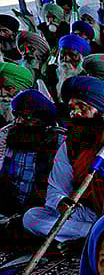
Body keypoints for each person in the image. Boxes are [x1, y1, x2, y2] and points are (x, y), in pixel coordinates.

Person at [23, 76, 104, 244]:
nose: (75, 113)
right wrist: (62, 201)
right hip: (88, 213)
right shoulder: (71, 143)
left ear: (101, 110)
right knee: (32, 218)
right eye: (72, 108)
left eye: (82, 107)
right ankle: (94, 233)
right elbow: (56, 187)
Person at [0, 91, 63, 230]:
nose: (19, 121)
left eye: (26, 117)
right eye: (16, 115)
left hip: (39, 210)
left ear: (42, 119)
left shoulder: (60, 141)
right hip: (7, 205)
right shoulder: (5, 136)